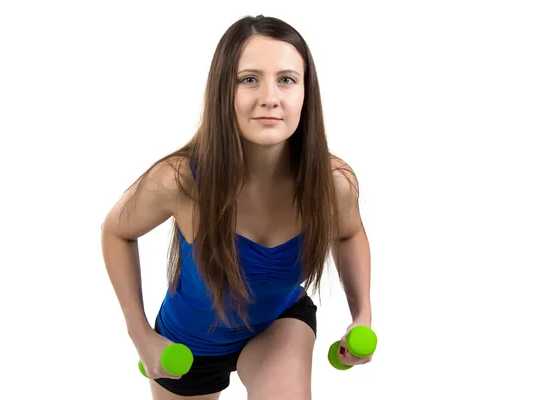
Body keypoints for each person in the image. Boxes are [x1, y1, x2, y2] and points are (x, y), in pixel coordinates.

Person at [101, 14, 373, 400]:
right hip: (188, 345)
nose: (270, 97)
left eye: (286, 79)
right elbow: (116, 231)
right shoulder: (180, 180)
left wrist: (361, 316)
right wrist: (140, 335)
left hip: (277, 323)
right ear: (222, 91)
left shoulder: (332, 181)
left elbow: (349, 233)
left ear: (305, 93)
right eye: (249, 79)